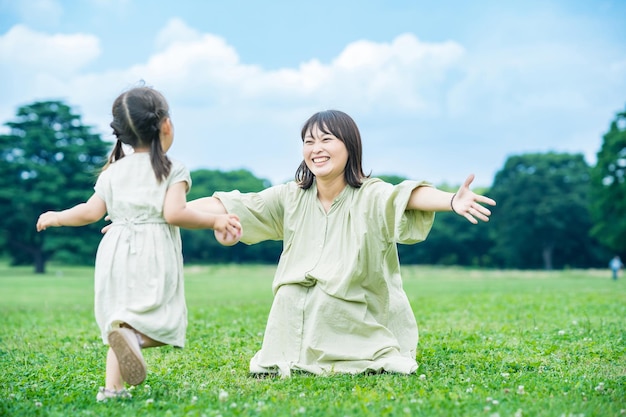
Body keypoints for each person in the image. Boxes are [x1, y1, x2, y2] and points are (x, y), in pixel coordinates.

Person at [187, 109, 496, 377]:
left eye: (326, 139)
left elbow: (407, 196)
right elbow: (233, 205)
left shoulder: (371, 194)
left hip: (352, 317)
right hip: (288, 329)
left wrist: (452, 200)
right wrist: (172, 208)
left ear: (350, 146)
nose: (315, 149)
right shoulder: (290, 196)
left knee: (333, 303)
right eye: (309, 142)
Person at [36, 86, 242, 401]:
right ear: (166, 125)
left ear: (121, 133)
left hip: (115, 248)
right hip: (154, 249)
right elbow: (175, 213)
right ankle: (134, 340)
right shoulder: (172, 168)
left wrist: (58, 216)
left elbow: (91, 212)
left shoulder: (113, 171)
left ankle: (112, 389)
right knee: (162, 318)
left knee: (121, 319)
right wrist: (214, 220)